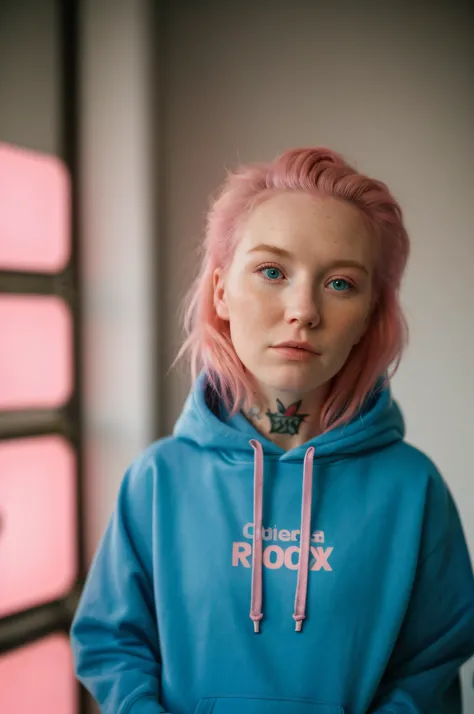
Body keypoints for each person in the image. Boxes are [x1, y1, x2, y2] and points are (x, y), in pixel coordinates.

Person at [70, 147, 474, 714]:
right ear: (220, 293)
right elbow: (112, 645)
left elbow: (432, 664)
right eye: (272, 272)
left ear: (368, 318)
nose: (303, 309)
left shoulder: (414, 490)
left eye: (340, 284)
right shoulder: (158, 480)